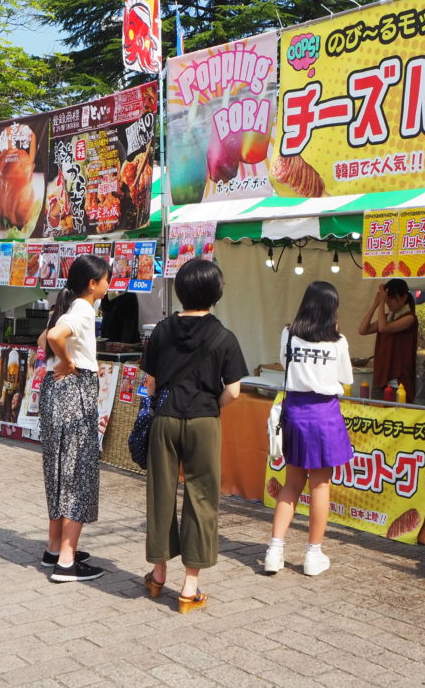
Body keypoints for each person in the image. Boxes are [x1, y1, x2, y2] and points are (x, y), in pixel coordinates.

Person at [141, 259, 247, 613]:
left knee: (160, 494)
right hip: (204, 420)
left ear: (180, 291)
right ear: (216, 293)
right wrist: (209, 405)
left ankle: (157, 576)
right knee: (202, 497)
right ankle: (189, 588)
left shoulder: (161, 331)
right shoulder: (224, 337)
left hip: (165, 420)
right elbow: (233, 391)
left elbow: (151, 383)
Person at [264, 281, 355, 577]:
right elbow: (345, 377)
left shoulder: (288, 335)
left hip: (295, 410)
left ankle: (274, 551)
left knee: (291, 483)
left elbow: (284, 364)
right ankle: (313, 555)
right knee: (320, 485)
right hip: (324, 414)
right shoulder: (337, 342)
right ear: (332, 310)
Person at [41, 254, 110, 583]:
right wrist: (69, 363)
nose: (109, 286)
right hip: (75, 391)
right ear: (92, 283)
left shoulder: (69, 303)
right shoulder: (83, 307)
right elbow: (54, 337)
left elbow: (46, 338)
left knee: (59, 469)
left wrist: (69, 359)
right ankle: (67, 560)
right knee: (77, 471)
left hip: (58, 393)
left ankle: (55, 547)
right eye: (106, 279)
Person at [358, 278, 418, 401]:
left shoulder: (410, 318)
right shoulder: (386, 317)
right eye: (387, 299)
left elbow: (384, 328)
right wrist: (375, 304)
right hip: (381, 376)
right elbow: (363, 330)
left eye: (392, 298)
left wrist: (381, 303)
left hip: (399, 379)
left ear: (404, 297)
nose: (388, 302)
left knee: (397, 416)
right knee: (377, 413)